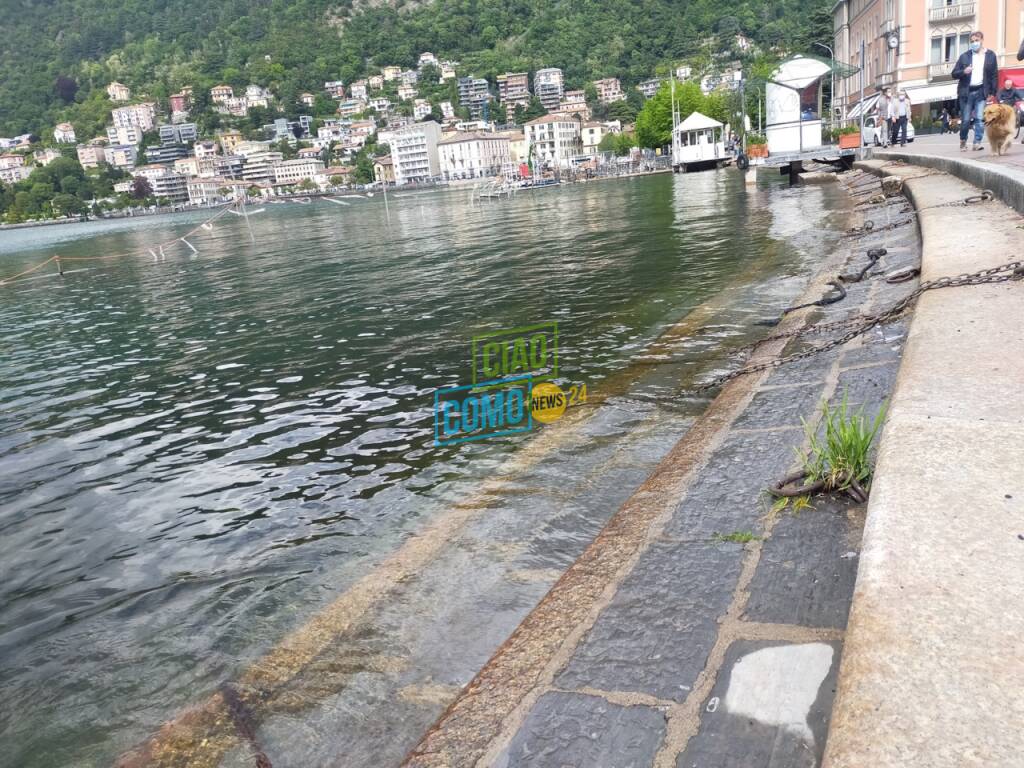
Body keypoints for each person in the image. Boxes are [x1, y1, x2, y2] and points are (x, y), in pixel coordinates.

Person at [951, 30, 998, 151]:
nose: (974, 43)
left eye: (976, 40)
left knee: (979, 118)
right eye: (972, 41)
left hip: (981, 92)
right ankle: (963, 141)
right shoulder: (964, 56)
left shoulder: (991, 55)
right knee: (966, 120)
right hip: (966, 93)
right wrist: (963, 71)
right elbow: (954, 74)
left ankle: (977, 142)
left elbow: (994, 75)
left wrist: (992, 93)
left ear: (982, 40)